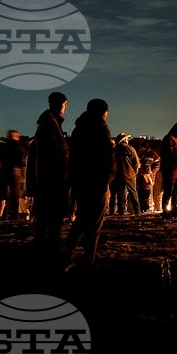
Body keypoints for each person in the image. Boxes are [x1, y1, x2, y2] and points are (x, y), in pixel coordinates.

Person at [63, 98, 117, 272]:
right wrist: (108, 177)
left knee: (82, 219)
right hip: (97, 181)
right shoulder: (100, 129)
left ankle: (68, 254)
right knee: (94, 222)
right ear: (104, 112)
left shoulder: (79, 129)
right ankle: (89, 259)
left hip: (80, 180)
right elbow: (107, 157)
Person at [28, 91, 71, 260]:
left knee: (47, 212)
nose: (66, 107)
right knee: (52, 212)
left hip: (49, 177)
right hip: (52, 177)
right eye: (65, 103)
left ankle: (45, 242)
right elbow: (57, 152)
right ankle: (50, 245)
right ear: (58, 103)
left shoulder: (48, 123)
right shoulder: (49, 124)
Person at [0, 130, 27, 222]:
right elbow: (22, 160)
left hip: (4, 171)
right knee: (14, 196)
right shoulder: (18, 146)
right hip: (15, 172)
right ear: (16, 137)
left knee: (1, 195)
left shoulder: (3, 146)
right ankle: (14, 215)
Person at [159, 122, 177, 218]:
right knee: (168, 190)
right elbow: (168, 154)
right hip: (169, 169)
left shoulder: (176, 140)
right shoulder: (168, 139)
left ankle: (174, 208)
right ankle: (165, 211)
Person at [110, 133, 142, 216]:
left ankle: (121, 210)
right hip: (129, 174)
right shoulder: (130, 149)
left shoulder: (115, 150)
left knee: (120, 193)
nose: (128, 140)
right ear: (124, 140)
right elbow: (137, 163)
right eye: (127, 139)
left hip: (118, 175)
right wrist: (133, 172)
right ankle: (137, 210)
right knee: (133, 192)